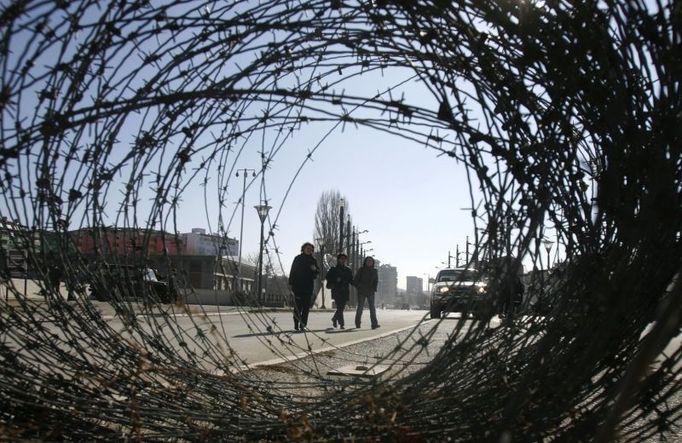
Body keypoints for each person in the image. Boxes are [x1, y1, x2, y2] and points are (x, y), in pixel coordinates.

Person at [288, 242, 319, 331]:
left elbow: (317, 272)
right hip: (298, 286)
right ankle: (296, 323)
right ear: (303, 249)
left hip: (308, 287)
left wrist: (315, 270)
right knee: (298, 307)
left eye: (310, 249)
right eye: (307, 248)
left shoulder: (313, 260)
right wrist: (291, 284)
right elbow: (292, 271)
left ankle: (303, 325)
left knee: (306, 308)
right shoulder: (298, 258)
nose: (309, 250)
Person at [325, 253, 353, 329]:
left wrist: (358, 285)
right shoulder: (333, 269)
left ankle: (334, 319)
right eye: (341, 259)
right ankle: (342, 324)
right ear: (338, 260)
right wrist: (335, 280)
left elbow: (351, 280)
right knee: (340, 307)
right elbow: (327, 277)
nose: (343, 260)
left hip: (345, 291)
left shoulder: (348, 270)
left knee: (341, 307)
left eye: (344, 259)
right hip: (336, 290)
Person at [353, 256, 379, 329]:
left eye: (371, 261)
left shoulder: (375, 271)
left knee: (372, 308)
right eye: (368, 261)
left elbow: (376, 281)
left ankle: (374, 324)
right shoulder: (361, 270)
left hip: (371, 291)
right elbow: (355, 280)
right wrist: (359, 287)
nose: (369, 262)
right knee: (360, 307)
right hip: (361, 291)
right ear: (365, 262)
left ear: (373, 262)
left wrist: (374, 289)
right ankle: (357, 323)